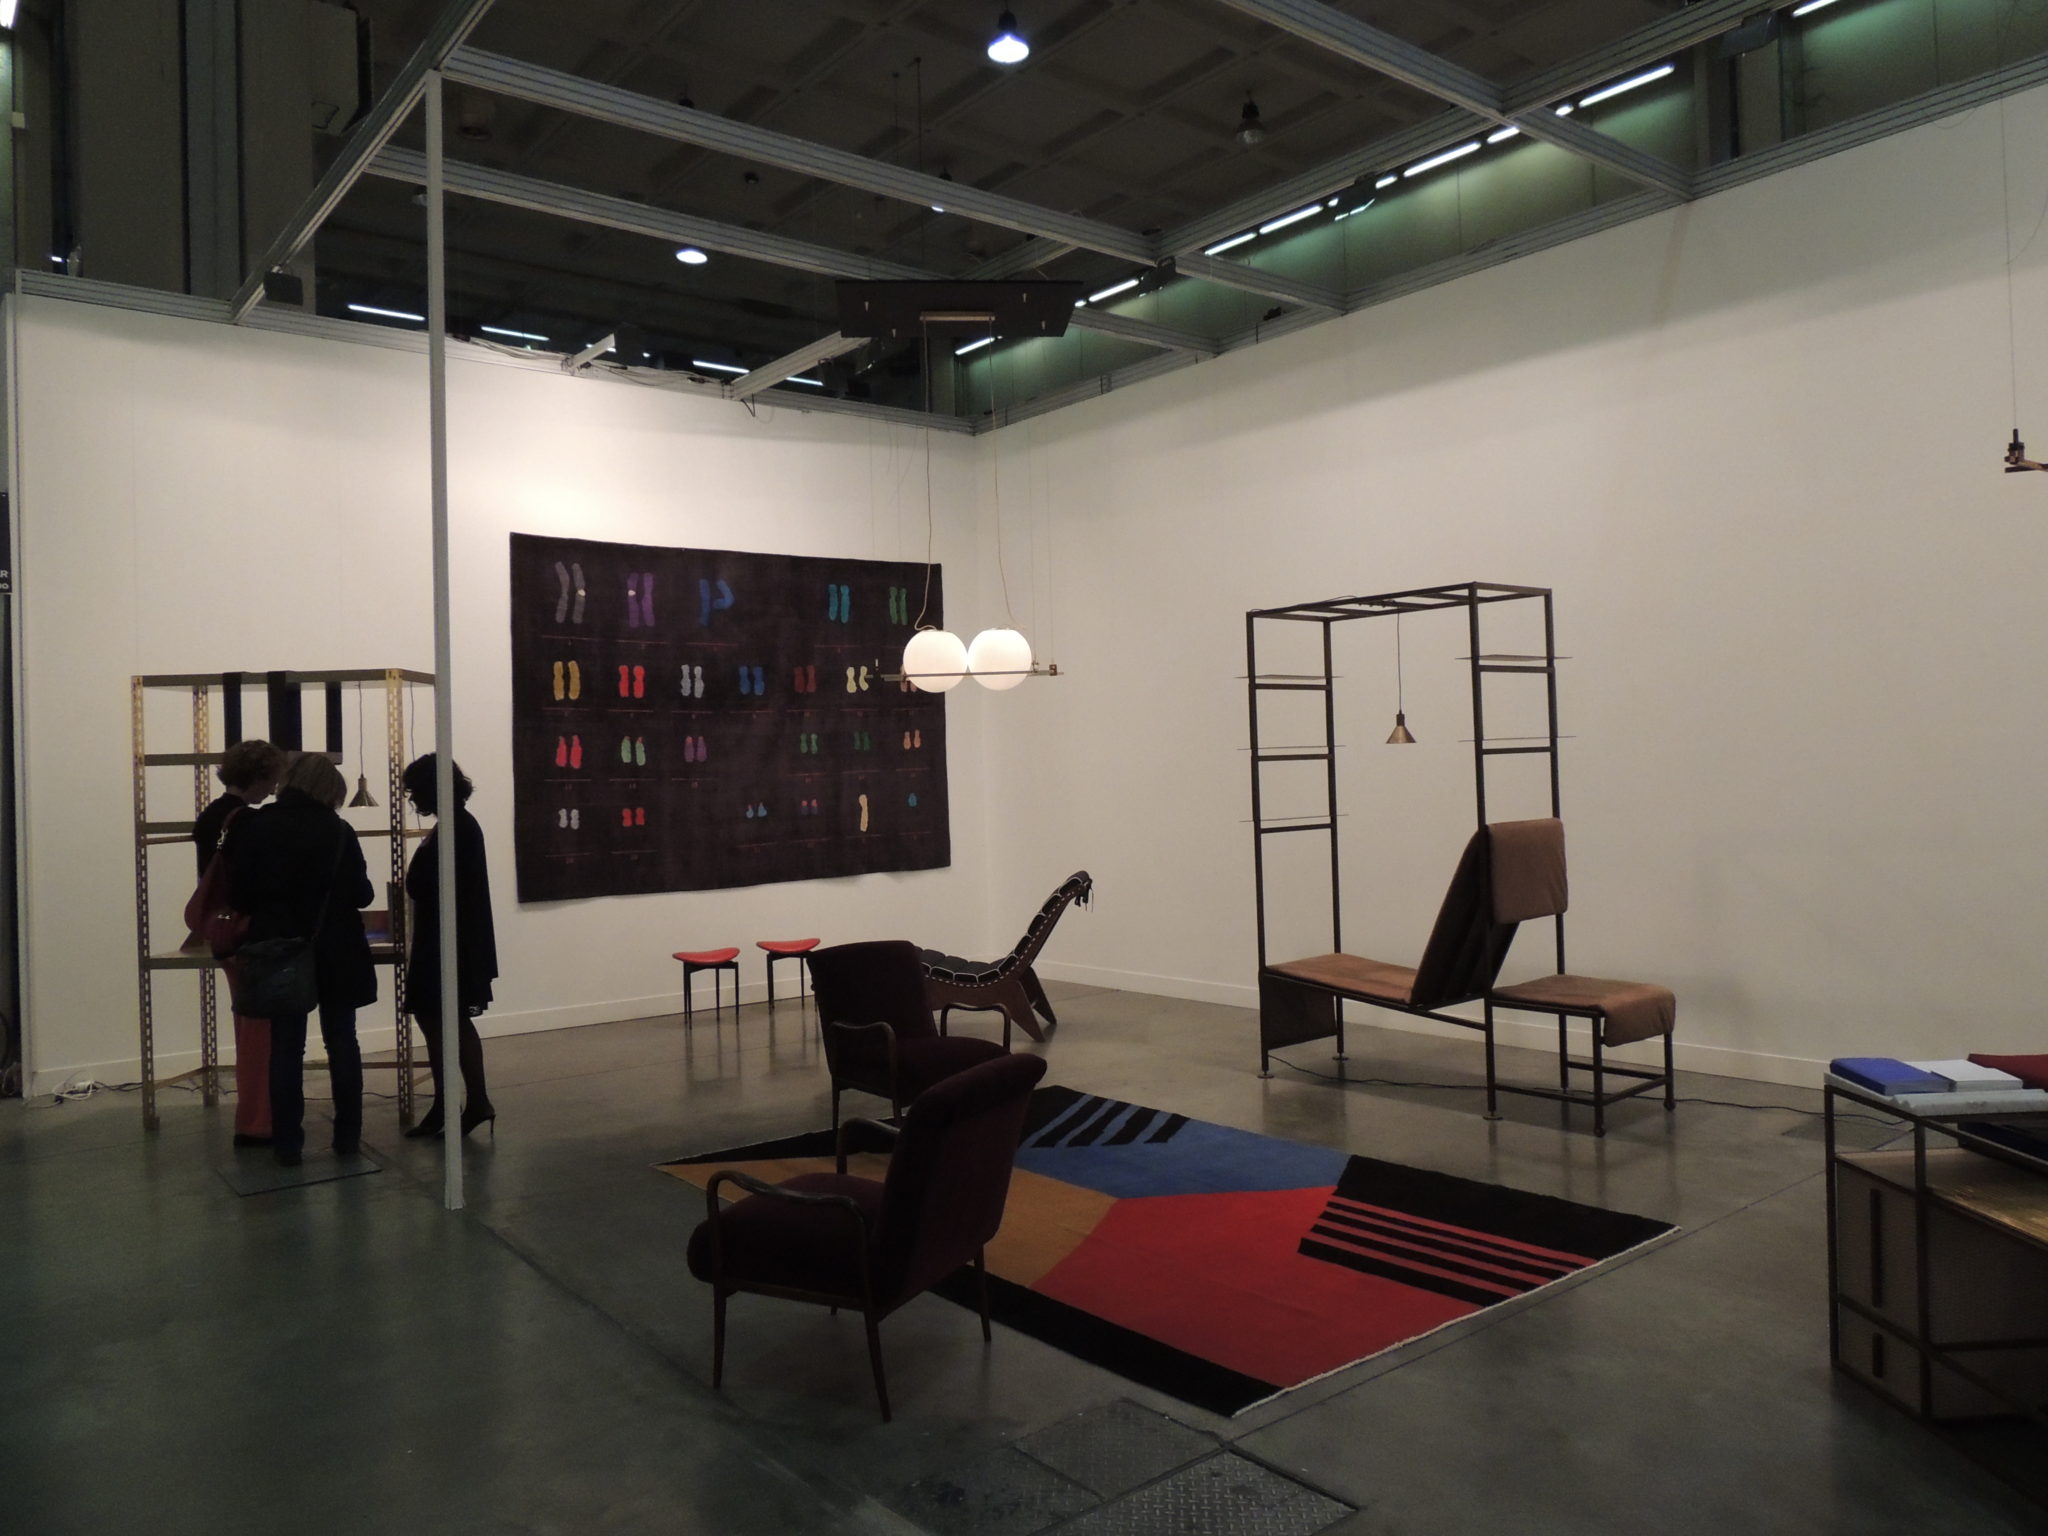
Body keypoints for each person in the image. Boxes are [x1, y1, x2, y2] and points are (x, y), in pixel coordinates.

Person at [226, 753, 376, 1166]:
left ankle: (288, 1144)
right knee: (342, 1040)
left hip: (280, 951)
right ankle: (347, 1137)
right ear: (330, 789)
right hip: (337, 950)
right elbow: (362, 894)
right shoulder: (339, 831)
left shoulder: (257, 827)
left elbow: (240, 896)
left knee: (286, 1046)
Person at [401, 754, 499, 1139]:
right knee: (439, 1018)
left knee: (448, 1019)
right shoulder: (455, 825)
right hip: (446, 937)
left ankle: (470, 1101)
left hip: (450, 941)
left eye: (415, 791)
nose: (412, 799)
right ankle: (455, 1102)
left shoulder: (458, 828)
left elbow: (433, 883)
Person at [193, 739, 284, 1145]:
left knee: (248, 1026)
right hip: (247, 933)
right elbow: (251, 886)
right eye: (272, 779)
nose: (274, 787)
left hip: (221, 931)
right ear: (259, 776)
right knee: (260, 1031)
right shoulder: (247, 822)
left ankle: (255, 1117)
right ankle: (257, 1121)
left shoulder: (210, 816)